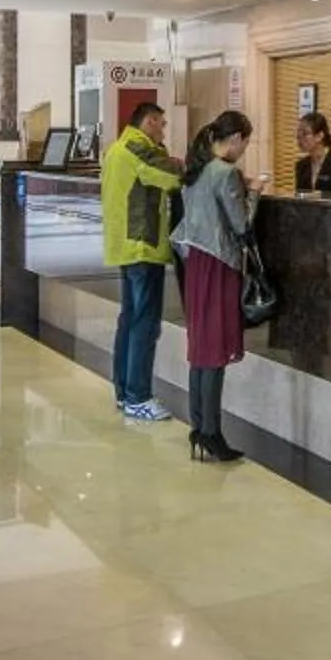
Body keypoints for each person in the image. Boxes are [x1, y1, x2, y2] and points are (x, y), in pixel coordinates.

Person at [173, 109, 256, 464]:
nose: (244, 150)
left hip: (195, 263)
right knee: (216, 352)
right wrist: (256, 193)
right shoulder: (226, 173)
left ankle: (200, 427)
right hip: (220, 264)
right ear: (235, 137)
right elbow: (242, 224)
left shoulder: (196, 171)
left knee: (200, 351)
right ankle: (212, 433)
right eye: (246, 142)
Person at [99, 103, 184, 423]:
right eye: (161, 124)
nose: (163, 131)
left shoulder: (117, 148)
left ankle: (124, 392)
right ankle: (138, 396)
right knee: (145, 324)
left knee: (130, 319)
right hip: (142, 245)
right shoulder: (138, 147)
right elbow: (171, 177)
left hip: (126, 245)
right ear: (147, 122)